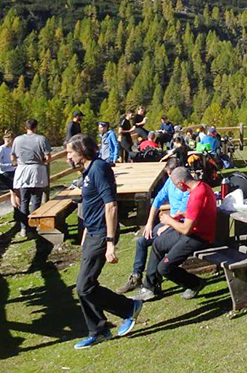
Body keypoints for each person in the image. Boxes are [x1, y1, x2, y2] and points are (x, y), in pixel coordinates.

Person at [65, 134, 142, 348]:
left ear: (81, 151)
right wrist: (85, 232)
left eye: (70, 153)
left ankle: (128, 308)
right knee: (85, 284)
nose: (68, 158)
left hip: (101, 234)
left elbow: (111, 205)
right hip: (92, 233)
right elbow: (93, 204)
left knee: (84, 286)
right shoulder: (88, 171)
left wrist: (110, 243)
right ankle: (98, 330)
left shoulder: (99, 168)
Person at [132, 167, 216, 301]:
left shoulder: (196, 195)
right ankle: (150, 288)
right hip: (192, 231)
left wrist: (169, 221)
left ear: (180, 184)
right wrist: (181, 215)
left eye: (175, 185)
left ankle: (195, 283)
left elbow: (186, 229)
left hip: (198, 237)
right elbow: (198, 214)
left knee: (164, 268)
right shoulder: (201, 186)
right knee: (158, 243)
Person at [117, 158, 190, 294]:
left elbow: (183, 212)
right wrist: (149, 223)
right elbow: (157, 201)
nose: (169, 177)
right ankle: (136, 276)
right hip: (168, 222)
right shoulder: (170, 182)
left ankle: (153, 283)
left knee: (158, 243)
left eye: (171, 174)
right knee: (142, 241)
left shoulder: (186, 188)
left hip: (178, 224)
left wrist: (167, 225)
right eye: (168, 174)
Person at [11, 119, 51, 236]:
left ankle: (23, 228)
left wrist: (16, 163)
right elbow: (48, 157)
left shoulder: (18, 139)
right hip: (37, 170)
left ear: (25, 127)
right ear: (36, 127)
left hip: (22, 170)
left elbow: (13, 156)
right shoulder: (41, 139)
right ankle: (33, 227)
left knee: (24, 200)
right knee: (36, 200)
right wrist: (43, 162)